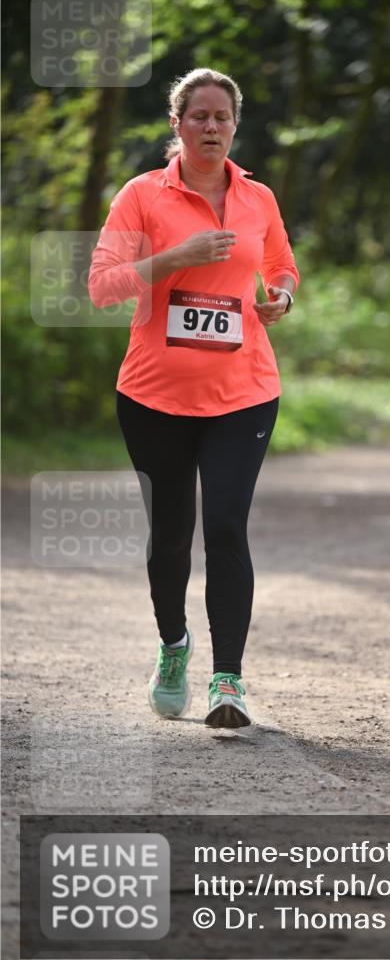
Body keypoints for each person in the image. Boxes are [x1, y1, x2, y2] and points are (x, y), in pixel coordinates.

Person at [88, 68, 299, 730]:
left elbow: (282, 267)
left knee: (228, 528)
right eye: (198, 116)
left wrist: (280, 299)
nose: (211, 127)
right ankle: (174, 645)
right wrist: (173, 257)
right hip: (153, 396)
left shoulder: (257, 198)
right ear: (176, 125)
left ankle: (227, 681)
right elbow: (102, 287)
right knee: (172, 536)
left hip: (243, 394)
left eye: (222, 117)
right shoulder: (141, 196)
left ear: (235, 126)